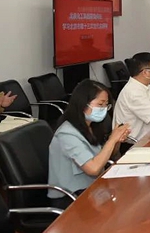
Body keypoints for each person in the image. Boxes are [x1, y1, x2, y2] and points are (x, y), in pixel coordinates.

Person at [48, 80, 131, 209]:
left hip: (94, 188)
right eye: (100, 104)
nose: (104, 109)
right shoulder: (66, 134)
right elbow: (93, 169)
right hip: (71, 197)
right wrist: (112, 140)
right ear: (83, 104)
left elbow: (106, 156)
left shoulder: (92, 126)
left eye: (106, 105)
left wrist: (117, 141)